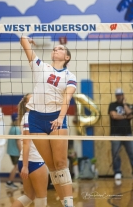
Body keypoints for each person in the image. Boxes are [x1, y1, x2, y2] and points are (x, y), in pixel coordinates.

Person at [20, 37, 77, 207]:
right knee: (52, 166)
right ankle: (63, 202)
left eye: (60, 49)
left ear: (67, 57)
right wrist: (27, 39)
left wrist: (60, 118)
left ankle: (69, 205)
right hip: (36, 118)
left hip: (56, 118)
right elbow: (23, 42)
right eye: (54, 49)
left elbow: (67, 98)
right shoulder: (40, 66)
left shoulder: (69, 76)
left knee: (60, 163)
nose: (55, 50)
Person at [12, 93, 48, 207]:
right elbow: (26, 143)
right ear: (27, 104)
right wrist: (26, 166)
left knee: (29, 197)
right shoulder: (28, 117)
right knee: (42, 198)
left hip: (26, 160)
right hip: (34, 161)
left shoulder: (32, 117)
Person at [108, 88, 133, 185]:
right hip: (115, 134)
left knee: (132, 153)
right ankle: (117, 172)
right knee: (115, 154)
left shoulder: (129, 105)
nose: (119, 96)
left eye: (121, 94)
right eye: (117, 95)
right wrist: (125, 117)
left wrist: (125, 104)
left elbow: (130, 115)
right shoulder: (112, 105)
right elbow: (113, 116)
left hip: (128, 134)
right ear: (115, 96)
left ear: (123, 95)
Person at [6, 113, 21, 190]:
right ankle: (9, 182)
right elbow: (18, 141)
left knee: (19, 167)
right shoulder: (16, 129)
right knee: (17, 167)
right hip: (15, 152)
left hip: (11, 151)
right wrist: (21, 151)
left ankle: (23, 181)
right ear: (16, 120)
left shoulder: (12, 128)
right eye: (18, 119)